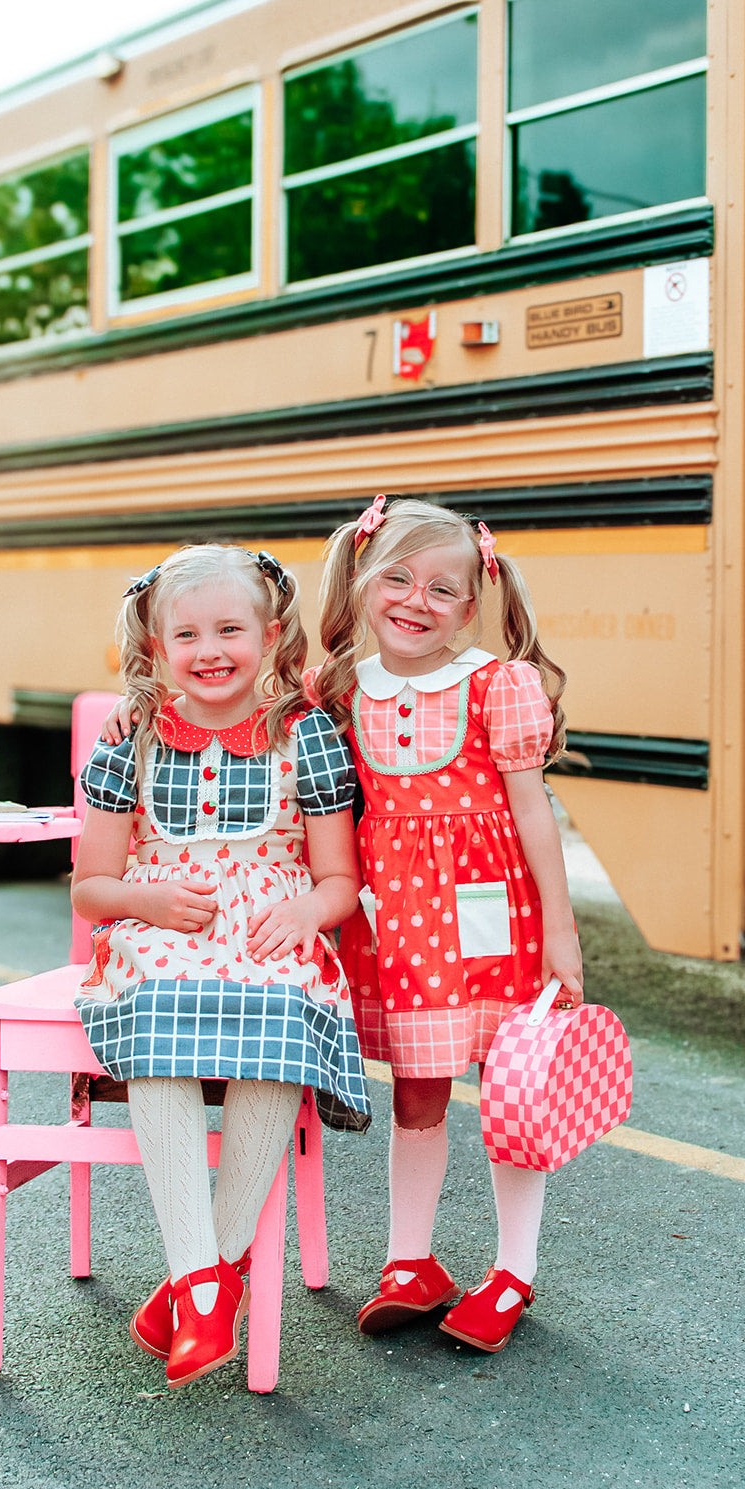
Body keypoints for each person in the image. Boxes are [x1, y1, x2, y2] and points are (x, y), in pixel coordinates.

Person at [72, 545, 368, 1389]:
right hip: (161, 925)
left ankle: (200, 1284)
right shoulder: (132, 743)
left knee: (277, 1011)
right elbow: (93, 888)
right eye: (187, 634)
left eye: (230, 629)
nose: (210, 650)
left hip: (271, 923)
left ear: (272, 636)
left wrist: (308, 911)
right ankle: (210, 1277)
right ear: (157, 648)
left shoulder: (307, 735)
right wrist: (146, 902)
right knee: (160, 1016)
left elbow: (339, 880)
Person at [312, 494, 584, 1353]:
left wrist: (561, 930)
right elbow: (246, 725)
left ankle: (512, 1272)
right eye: (396, 578)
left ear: (473, 603)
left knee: (514, 1095)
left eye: (441, 588)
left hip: (493, 922)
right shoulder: (336, 688)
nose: (415, 602)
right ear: (360, 580)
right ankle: (411, 1262)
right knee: (419, 1092)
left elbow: (533, 815)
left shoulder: (496, 686)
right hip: (398, 928)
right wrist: (137, 703)